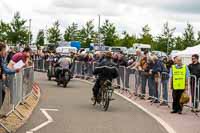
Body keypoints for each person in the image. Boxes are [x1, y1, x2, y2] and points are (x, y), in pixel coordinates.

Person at [0, 43, 19, 114]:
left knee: (3, 93)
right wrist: (14, 70)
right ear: (1, 50)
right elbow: (5, 69)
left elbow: (4, 69)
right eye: (4, 50)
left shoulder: (1, 58)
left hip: (1, 81)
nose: (5, 52)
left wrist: (3, 73)